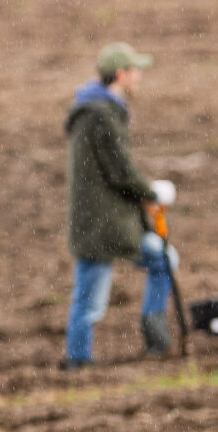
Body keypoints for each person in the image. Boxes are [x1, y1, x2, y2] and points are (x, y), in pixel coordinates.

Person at [64, 43, 176, 367]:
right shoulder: (100, 114)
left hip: (115, 223)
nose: (139, 76)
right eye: (136, 70)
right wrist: (152, 192)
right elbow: (121, 171)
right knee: (89, 299)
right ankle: (78, 362)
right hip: (101, 227)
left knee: (164, 261)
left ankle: (156, 340)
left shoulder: (102, 109)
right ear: (121, 74)